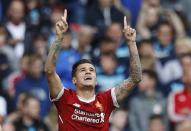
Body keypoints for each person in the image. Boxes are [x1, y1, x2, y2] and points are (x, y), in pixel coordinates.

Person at [44, 9, 142, 130]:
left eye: (91, 70)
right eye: (82, 70)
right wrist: (59, 37)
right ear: (74, 80)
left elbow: (136, 77)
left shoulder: (106, 100)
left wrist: (132, 43)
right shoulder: (64, 97)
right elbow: (49, 71)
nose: (88, 72)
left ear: (96, 80)